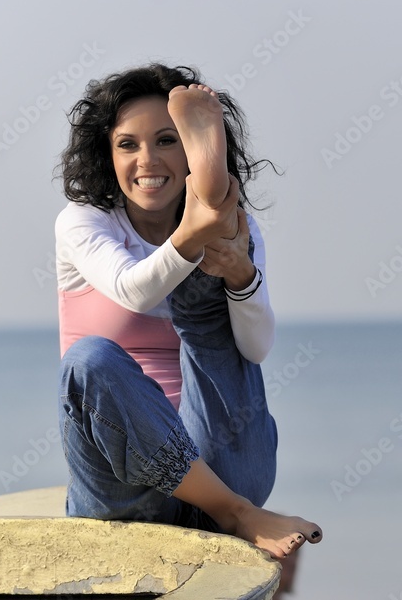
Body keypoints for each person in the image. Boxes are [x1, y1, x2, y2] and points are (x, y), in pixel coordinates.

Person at [53, 63, 321, 561]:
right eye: (127, 144)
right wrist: (193, 234)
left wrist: (242, 277)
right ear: (106, 155)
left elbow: (257, 348)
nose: (147, 159)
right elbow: (132, 290)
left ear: (192, 151)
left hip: (223, 458)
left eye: (168, 140)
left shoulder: (238, 230)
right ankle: (237, 512)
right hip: (123, 495)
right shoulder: (84, 222)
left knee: (209, 299)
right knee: (88, 361)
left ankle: (224, 501)